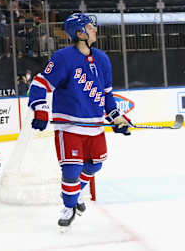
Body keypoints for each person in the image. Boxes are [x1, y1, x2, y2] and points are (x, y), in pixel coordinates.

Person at [27, 13, 131, 229]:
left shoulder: (102, 58)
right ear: (80, 33)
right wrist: (40, 109)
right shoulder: (63, 57)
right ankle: (69, 206)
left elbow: (107, 95)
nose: (94, 29)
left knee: (96, 165)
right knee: (71, 170)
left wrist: (116, 117)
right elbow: (39, 84)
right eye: (90, 27)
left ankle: (75, 192)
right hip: (69, 126)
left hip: (94, 127)